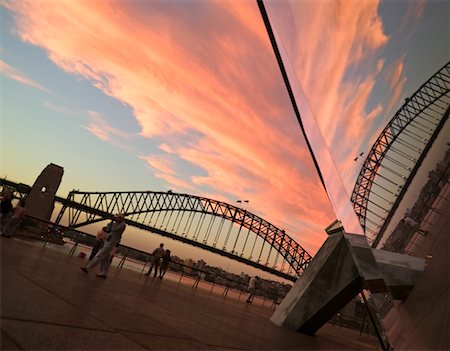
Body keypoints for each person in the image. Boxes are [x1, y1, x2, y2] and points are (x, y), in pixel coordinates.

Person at [80, 214, 126, 279]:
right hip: (107, 241)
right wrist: (112, 222)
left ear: (121, 218)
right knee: (105, 259)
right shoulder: (114, 223)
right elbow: (108, 229)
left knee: (100, 255)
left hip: (111, 243)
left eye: (118, 218)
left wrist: (114, 222)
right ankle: (104, 273)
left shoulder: (123, 225)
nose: (116, 219)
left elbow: (114, 229)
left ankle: (88, 268)